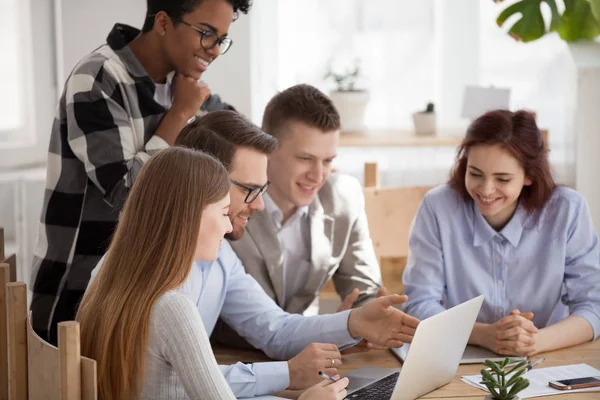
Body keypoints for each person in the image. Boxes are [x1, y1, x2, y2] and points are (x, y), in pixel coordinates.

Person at [88, 110, 420, 398]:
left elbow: (274, 329)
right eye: (249, 189)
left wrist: (354, 322)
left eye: (262, 190)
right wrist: (285, 376)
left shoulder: (217, 259)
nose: (260, 205)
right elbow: (176, 384)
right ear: (198, 181)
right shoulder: (157, 289)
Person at [30, 0, 251, 344]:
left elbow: (240, 140)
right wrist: (179, 115)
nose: (215, 50)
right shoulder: (98, 78)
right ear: (163, 22)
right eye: (206, 34)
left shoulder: (186, 85)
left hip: (140, 293)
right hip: (78, 295)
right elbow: (126, 193)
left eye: (221, 39)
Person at [77, 147, 349, 400]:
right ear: (190, 216)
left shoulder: (109, 284)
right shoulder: (172, 308)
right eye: (222, 213)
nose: (228, 228)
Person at [402, 109, 600, 357]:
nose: (486, 190)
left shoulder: (567, 209)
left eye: (503, 179)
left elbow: (593, 305)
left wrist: (533, 341)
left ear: (529, 175)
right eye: (475, 174)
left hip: (546, 360)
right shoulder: (437, 207)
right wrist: (484, 335)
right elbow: (418, 304)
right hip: (457, 358)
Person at [229, 84, 383, 317]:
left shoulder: (344, 197)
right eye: (305, 158)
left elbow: (364, 292)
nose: (318, 175)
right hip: (227, 351)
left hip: (310, 346)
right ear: (266, 148)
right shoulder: (228, 201)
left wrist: (366, 317)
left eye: (328, 160)